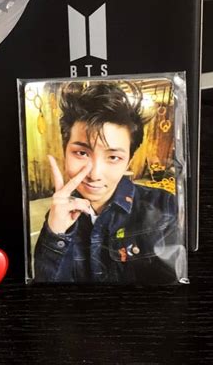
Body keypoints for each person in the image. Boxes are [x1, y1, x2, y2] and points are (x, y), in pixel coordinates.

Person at [34, 82, 186, 284]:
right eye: (81, 153)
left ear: (128, 162)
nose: (95, 174)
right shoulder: (58, 214)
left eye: (113, 157)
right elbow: (47, 294)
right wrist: (55, 235)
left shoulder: (165, 207)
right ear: (65, 151)